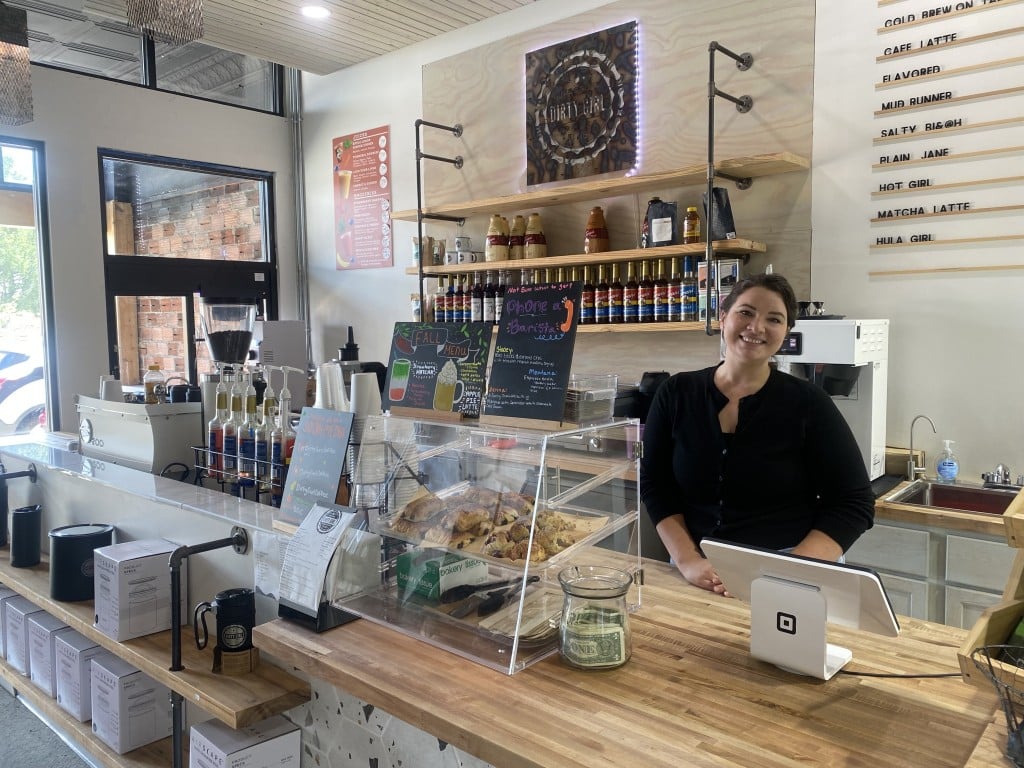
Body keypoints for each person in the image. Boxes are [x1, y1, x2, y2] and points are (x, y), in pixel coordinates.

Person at [639, 272, 874, 593]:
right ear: (723, 318)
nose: (757, 326)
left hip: (792, 571)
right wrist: (687, 560)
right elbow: (656, 485)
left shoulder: (808, 403)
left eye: (774, 319)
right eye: (746, 312)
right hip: (698, 571)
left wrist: (787, 573)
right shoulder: (676, 393)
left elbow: (854, 503)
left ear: (786, 331)